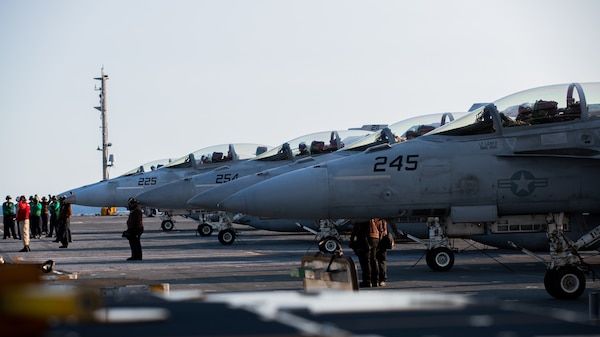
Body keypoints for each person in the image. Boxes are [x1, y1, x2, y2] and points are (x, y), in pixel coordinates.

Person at [350, 218, 382, 288]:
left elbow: (357, 228)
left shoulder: (362, 215)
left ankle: (367, 281)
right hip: (375, 237)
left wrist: (352, 240)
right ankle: (375, 281)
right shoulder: (374, 215)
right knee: (373, 259)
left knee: (365, 261)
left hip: (366, 237)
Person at [375, 218, 390, 287]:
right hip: (382, 242)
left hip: (377, 242)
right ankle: (382, 279)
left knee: (376, 261)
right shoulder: (383, 220)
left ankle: (378, 278)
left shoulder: (373, 221)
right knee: (382, 261)